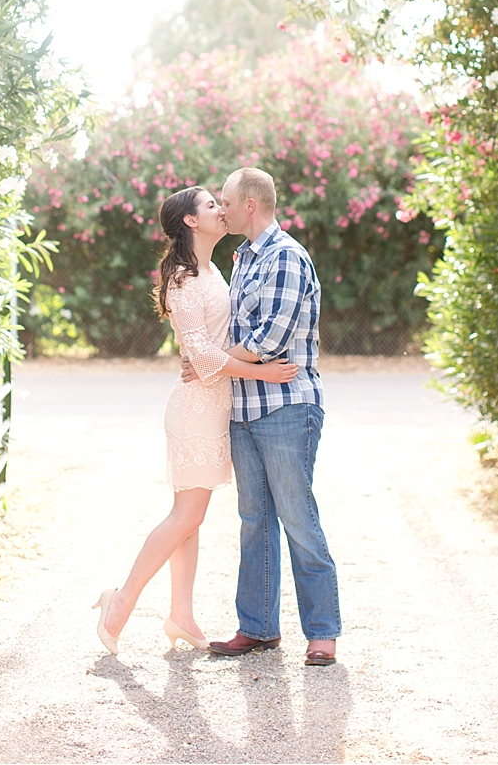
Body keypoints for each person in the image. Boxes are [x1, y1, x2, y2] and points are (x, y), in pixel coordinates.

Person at [91, 187, 299, 654]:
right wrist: (261, 372)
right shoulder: (183, 279)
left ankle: (181, 615)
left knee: (189, 520)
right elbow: (201, 353)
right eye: (210, 206)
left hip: (214, 404)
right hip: (194, 410)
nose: (220, 211)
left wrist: (230, 364)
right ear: (189, 221)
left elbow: (210, 348)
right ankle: (120, 603)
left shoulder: (213, 271)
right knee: (188, 515)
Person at [188, 166, 342, 667]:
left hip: (287, 407)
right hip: (244, 408)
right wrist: (220, 362)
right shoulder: (244, 258)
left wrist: (211, 360)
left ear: (249, 204)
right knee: (254, 520)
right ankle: (257, 627)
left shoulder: (286, 257)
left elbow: (269, 341)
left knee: (297, 517)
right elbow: (245, 339)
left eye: (227, 201)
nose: (223, 209)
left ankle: (321, 633)